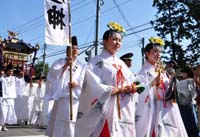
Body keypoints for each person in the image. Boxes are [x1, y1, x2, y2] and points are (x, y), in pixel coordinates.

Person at [75, 22, 140, 137]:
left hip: (122, 107)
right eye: (114, 39)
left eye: (120, 40)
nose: (118, 43)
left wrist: (132, 87)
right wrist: (109, 89)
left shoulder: (121, 64)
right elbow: (89, 82)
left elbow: (131, 81)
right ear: (104, 41)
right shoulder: (96, 61)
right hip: (105, 107)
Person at [135, 37, 188, 137]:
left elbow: (167, 88)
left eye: (160, 52)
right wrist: (152, 84)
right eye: (155, 51)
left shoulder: (163, 71)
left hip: (167, 107)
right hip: (153, 108)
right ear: (146, 53)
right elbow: (137, 92)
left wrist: (172, 83)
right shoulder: (142, 73)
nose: (158, 54)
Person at [45, 36, 86, 137]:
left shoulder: (82, 66)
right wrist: (66, 66)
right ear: (67, 51)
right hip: (62, 99)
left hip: (75, 100)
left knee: (72, 124)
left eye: (76, 48)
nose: (75, 50)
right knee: (60, 124)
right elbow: (53, 75)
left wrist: (77, 83)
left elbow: (84, 79)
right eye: (72, 48)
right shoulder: (59, 62)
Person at [176, 67, 199, 137]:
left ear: (186, 73)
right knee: (191, 123)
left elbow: (188, 93)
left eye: (183, 72)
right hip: (189, 104)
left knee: (188, 124)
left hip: (186, 105)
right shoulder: (190, 81)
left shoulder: (188, 81)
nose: (181, 74)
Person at [0, 66, 25, 131]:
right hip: (4, 98)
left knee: (9, 112)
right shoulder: (2, 78)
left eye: (12, 71)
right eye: (10, 71)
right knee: (3, 112)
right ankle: (0, 125)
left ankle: (4, 125)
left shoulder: (13, 78)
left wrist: (22, 76)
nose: (11, 72)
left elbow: (20, 83)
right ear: (6, 71)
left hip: (11, 98)